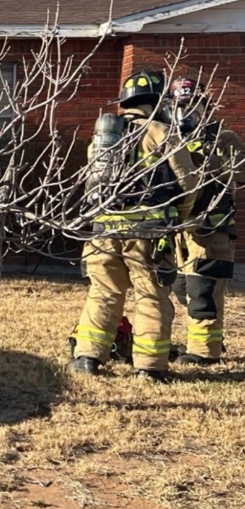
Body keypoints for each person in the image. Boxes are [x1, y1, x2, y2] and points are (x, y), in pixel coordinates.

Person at [69, 69, 199, 381]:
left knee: (103, 293)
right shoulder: (162, 131)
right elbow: (188, 184)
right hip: (148, 235)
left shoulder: (102, 140)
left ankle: (87, 358)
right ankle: (150, 367)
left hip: (103, 232)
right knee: (151, 296)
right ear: (157, 102)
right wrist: (180, 218)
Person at [167, 77, 245, 366]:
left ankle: (204, 351)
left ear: (205, 108)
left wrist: (216, 161)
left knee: (203, 290)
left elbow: (241, 175)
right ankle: (210, 338)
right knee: (180, 287)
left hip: (212, 229)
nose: (184, 113)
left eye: (191, 106)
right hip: (179, 230)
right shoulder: (169, 139)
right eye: (178, 106)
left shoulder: (223, 138)